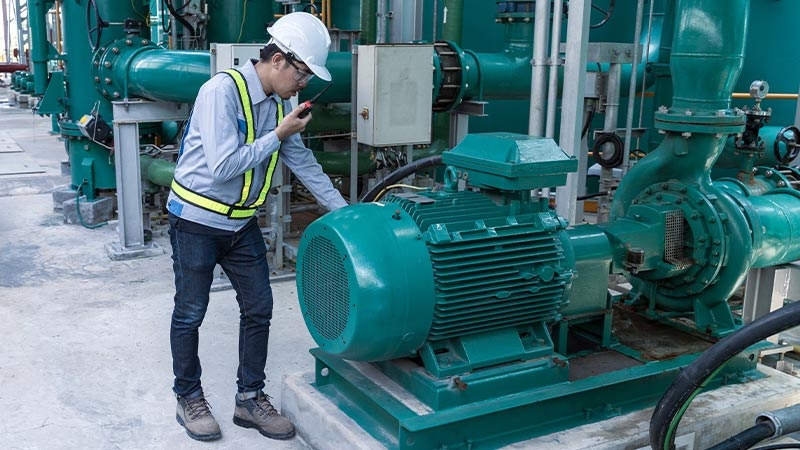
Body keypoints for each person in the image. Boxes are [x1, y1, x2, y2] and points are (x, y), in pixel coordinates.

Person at [166, 12, 348, 442]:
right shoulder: (221, 92)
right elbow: (224, 166)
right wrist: (278, 135)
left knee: (259, 308)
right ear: (279, 60)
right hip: (196, 220)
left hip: (241, 223)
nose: (302, 84)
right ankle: (188, 397)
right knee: (190, 312)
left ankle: (249, 398)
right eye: (302, 73)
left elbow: (303, 162)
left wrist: (344, 212)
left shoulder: (280, 103)